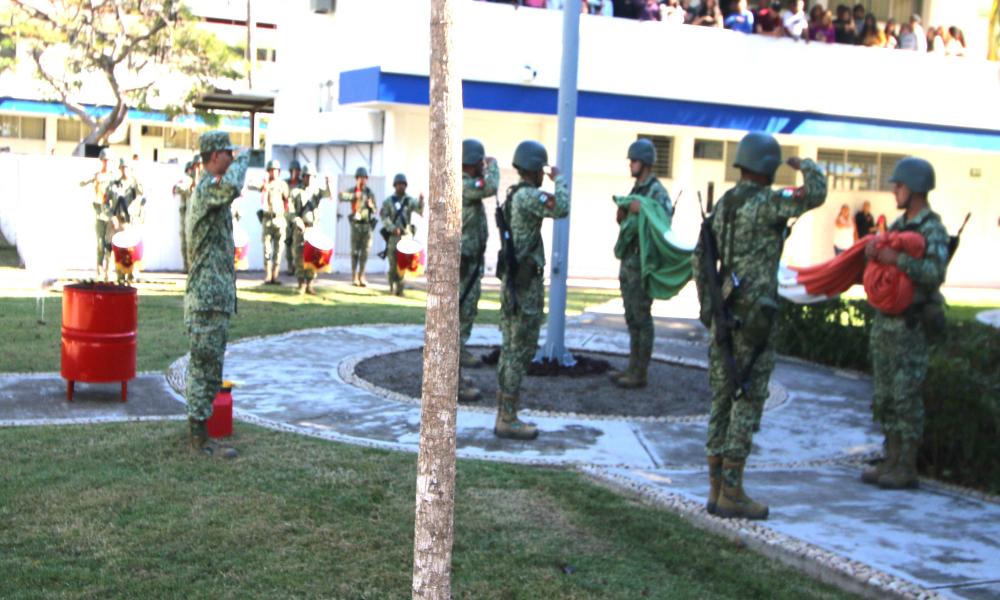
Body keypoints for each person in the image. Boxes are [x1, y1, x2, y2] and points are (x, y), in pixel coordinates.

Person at [692, 132, 826, 520]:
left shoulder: (723, 206)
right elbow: (813, 195)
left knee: (721, 397)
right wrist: (807, 167)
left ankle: (716, 488)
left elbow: (700, 258)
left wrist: (708, 305)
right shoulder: (768, 202)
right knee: (747, 396)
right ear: (768, 166)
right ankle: (733, 492)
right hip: (755, 318)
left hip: (723, 315)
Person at [862, 157, 949, 490]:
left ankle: (906, 464)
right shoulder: (898, 226)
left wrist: (898, 259)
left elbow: (934, 274)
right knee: (884, 394)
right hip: (886, 324)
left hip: (910, 327)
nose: (894, 191)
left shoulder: (932, 229)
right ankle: (891, 456)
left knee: (905, 396)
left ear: (914, 189)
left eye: (898, 186)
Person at [495, 140, 569, 440]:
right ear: (536, 170)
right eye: (541, 170)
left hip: (515, 283)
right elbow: (561, 207)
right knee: (520, 351)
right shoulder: (527, 196)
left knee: (510, 348)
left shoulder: (515, 195)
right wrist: (559, 179)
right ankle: (507, 418)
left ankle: (504, 411)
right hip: (524, 289)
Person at [184, 131, 249, 458]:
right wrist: (247, 157)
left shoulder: (212, 191)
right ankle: (198, 439)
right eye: (228, 152)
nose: (232, 157)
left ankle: (202, 432)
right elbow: (232, 187)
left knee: (210, 369)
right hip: (206, 300)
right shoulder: (208, 189)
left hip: (214, 299)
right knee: (204, 367)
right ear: (213, 156)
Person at [611, 139, 673, 389]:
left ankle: (640, 372)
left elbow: (663, 221)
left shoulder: (657, 192)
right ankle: (632, 366)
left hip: (643, 262)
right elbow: (630, 223)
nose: (630, 164)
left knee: (641, 317)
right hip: (629, 260)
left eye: (634, 161)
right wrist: (623, 215)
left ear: (645, 163)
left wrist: (641, 210)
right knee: (631, 317)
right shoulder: (636, 190)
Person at [459, 139, 499, 371]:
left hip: (472, 260)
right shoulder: (464, 184)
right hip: (465, 261)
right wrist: (493, 166)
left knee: (467, 306)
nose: (482, 166)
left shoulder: (467, 183)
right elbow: (490, 186)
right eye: (480, 163)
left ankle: (457, 347)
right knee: (463, 306)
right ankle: (456, 351)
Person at [379, 173, 424, 297]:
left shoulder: (409, 200)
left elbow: (419, 210)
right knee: (392, 263)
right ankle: (392, 287)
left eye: (403, 184)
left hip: (405, 237)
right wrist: (392, 228)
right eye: (399, 184)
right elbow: (383, 216)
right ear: (395, 185)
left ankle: (400, 289)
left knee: (402, 264)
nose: (401, 186)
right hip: (393, 237)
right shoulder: (389, 201)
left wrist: (421, 201)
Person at [289, 164, 332, 295]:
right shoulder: (296, 192)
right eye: (307, 176)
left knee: (313, 257)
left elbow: (328, 194)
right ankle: (301, 284)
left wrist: (328, 183)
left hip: (314, 228)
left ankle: (310, 284)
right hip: (301, 229)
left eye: (312, 176)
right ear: (303, 177)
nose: (309, 179)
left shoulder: (317, 191)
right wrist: (297, 221)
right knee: (300, 256)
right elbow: (290, 211)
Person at [105, 158, 145, 284]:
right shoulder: (113, 185)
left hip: (130, 224)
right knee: (118, 251)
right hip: (118, 223)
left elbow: (141, 196)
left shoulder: (134, 184)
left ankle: (132, 275)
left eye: (127, 167)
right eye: (123, 168)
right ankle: (120, 276)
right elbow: (105, 203)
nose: (125, 170)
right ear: (120, 169)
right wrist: (111, 217)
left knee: (131, 250)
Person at [339, 167, 378, 287]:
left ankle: (362, 276)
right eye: (359, 177)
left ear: (366, 179)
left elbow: (376, 210)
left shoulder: (370, 193)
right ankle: (354, 276)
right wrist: (353, 196)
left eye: (364, 178)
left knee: (365, 253)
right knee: (355, 252)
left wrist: (371, 206)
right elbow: (341, 196)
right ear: (356, 179)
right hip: (356, 225)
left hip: (367, 226)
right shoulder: (353, 190)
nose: (362, 180)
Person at [82, 148, 115, 281]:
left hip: (110, 212)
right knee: (100, 243)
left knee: (109, 243)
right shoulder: (97, 175)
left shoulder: (113, 177)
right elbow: (82, 182)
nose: (105, 163)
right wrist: (92, 180)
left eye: (107, 161)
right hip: (99, 212)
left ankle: (108, 271)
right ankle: (99, 270)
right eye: (103, 161)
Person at [259, 159, 289, 285]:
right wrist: (264, 186)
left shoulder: (282, 185)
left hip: (279, 219)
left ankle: (275, 276)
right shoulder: (265, 184)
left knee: (279, 249)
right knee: (267, 248)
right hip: (267, 219)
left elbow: (287, 199)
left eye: (276, 170)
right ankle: (268, 275)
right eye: (271, 170)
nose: (273, 172)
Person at [174, 155, 202, 273]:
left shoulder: (206, 179)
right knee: (187, 242)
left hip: (202, 216)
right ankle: (189, 267)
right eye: (195, 166)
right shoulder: (187, 179)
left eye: (199, 165)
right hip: (189, 215)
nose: (197, 168)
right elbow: (178, 188)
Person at [284, 159, 304, 275]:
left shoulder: (302, 184)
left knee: (298, 244)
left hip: (298, 217)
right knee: (288, 242)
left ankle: (298, 267)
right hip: (287, 216)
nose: (295, 173)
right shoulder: (285, 183)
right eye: (293, 170)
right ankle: (290, 266)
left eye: (297, 171)